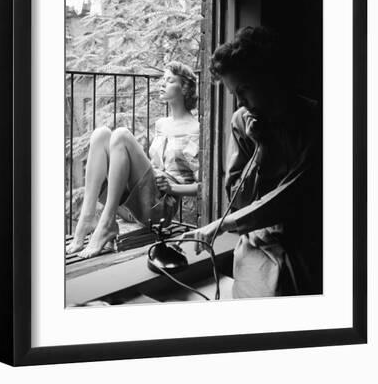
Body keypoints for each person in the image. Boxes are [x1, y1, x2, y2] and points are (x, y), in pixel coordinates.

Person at [181, 26, 322, 297]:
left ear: (269, 78)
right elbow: (238, 199)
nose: (240, 103)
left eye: (244, 90)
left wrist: (222, 225)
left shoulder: (314, 120)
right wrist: (261, 149)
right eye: (235, 94)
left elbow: (292, 196)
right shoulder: (243, 122)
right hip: (257, 237)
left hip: (305, 238)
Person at [66, 61, 200, 259]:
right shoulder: (161, 124)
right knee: (101, 134)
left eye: (169, 80)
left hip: (159, 208)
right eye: (162, 80)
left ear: (186, 88)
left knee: (121, 134)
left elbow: (203, 186)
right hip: (134, 205)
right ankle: (88, 217)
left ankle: (106, 221)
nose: (162, 84)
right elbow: (150, 166)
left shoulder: (195, 129)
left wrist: (173, 188)